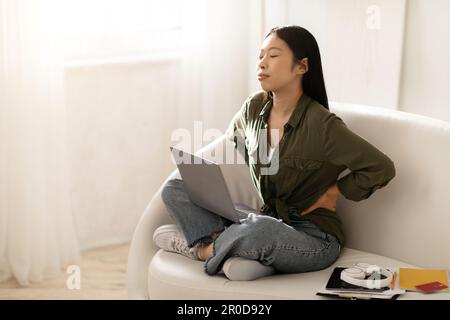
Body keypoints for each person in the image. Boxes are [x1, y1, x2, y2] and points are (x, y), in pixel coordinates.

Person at [153, 25, 396, 281]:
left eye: (273, 55)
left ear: (301, 66)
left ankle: (203, 249)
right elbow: (235, 138)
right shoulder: (253, 107)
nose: (262, 63)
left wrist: (334, 192)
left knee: (259, 230)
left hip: (312, 236)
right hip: (265, 217)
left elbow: (381, 167)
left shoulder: (323, 126)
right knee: (175, 188)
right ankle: (237, 251)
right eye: (260, 56)